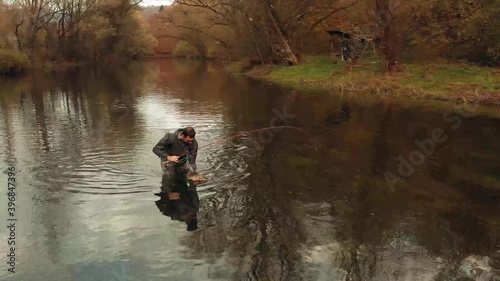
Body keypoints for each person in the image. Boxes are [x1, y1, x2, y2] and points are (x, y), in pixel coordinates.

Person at [152, 127, 199, 196]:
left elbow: (192, 160)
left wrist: (194, 173)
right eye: (188, 141)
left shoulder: (193, 143)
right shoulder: (169, 137)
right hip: (168, 160)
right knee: (170, 178)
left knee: (184, 175)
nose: (190, 143)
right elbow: (155, 149)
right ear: (182, 136)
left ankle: (182, 193)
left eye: (192, 140)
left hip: (182, 161)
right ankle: (168, 193)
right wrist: (168, 157)